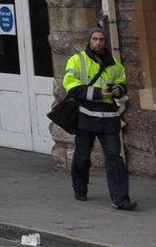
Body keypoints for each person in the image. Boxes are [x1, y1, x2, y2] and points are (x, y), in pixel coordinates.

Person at [63, 27, 133, 210]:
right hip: (86, 116)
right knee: (82, 157)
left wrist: (119, 90)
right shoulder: (77, 60)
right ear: (89, 41)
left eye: (101, 39)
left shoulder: (115, 64)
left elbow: (123, 82)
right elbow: (71, 85)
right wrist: (98, 93)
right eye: (94, 39)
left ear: (106, 42)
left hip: (109, 117)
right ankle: (80, 188)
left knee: (114, 158)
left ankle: (121, 199)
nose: (98, 43)